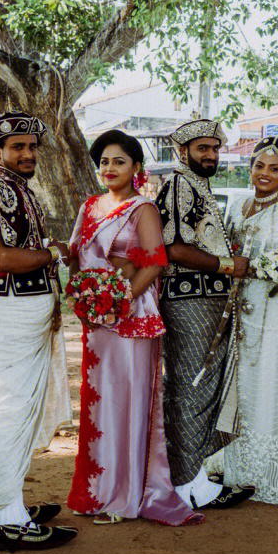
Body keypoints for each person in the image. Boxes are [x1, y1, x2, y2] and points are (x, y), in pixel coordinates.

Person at [66, 130, 202, 526]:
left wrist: (120, 300)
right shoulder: (89, 207)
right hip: (97, 319)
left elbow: (155, 262)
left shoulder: (143, 209)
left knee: (128, 403)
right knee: (99, 403)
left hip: (131, 318)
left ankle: (123, 496)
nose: (109, 168)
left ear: (136, 168)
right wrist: (87, 297)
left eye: (119, 161)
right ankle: (97, 490)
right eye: (104, 161)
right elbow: (77, 257)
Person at [0, 111, 77, 552]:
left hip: (16, 310)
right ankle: (10, 519)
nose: (28, 154)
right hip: (3, 310)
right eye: (18, 147)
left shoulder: (14, 186)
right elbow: (1, 260)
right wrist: (53, 254)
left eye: (32, 147)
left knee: (8, 411)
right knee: (10, 410)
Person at [156, 118, 255, 511]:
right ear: (183, 153)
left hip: (205, 299)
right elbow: (173, 248)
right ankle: (183, 485)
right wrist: (228, 266)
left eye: (215, 148)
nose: (211, 155)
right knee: (189, 390)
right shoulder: (179, 184)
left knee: (200, 389)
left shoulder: (198, 186)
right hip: (189, 301)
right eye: (202, 149)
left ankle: (197, 481)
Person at [222, 136, 278, 506]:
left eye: (274, 169)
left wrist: (265, 270)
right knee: (242, 388)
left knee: (273, 386)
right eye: (260, 166)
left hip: (277, 313)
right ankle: (239, 472)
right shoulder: (238, 207)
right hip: (239, 310)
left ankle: (274, 478)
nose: (265, 174)